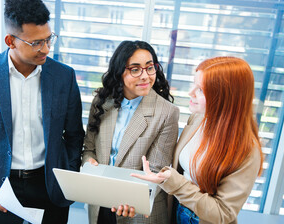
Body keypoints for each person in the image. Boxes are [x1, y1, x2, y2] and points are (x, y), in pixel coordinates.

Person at [0, 0, 85, 224]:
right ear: (10, 41)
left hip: (49, 187)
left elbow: (74, 135)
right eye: (37, 43)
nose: (46, 49)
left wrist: (68, 178)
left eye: (48, 39)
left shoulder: (64, 76)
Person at [132, 56, 263, 224]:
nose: (190, 92)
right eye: (194, 84)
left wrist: (175, 183)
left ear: (225, 98)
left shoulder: (247, 151)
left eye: (201, 89)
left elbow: (223, 213)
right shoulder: (198, 119)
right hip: (178, 209)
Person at [82, 40, 180, 224]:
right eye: (135, 69)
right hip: (101, 204)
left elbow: (157, 171)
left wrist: (130, 197)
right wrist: (90, 163)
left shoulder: (167, 113)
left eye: (150, 67)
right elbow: (89, 148)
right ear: (119, 72)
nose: (145, 76)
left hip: (139, 212)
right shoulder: (102, 102)